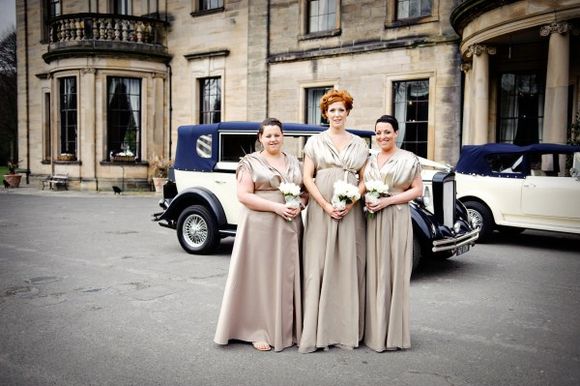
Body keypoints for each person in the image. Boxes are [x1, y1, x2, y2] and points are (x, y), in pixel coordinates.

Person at [214, 118, 305, 352]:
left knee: (286, 275)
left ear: (283, 136)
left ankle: (286, 328)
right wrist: (276, 207)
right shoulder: (250, 163)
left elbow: (304, 192)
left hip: (290, 224)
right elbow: (244, 195)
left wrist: (300, 205)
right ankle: (257, 330)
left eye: (277, 134)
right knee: (260, 277)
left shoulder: (295, 162)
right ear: (260, 138)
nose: (273, 139)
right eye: (268, 136)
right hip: (259, 225)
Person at [299, 89, 368, 353]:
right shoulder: (315, 142)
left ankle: (345, 329)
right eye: (332, 110)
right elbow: (307, 178)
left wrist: (351, 202)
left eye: (341, 109)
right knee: (318, 265)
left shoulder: (360, 144)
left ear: (348, 112)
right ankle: (316, 330)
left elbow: (364, 180)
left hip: (350, 212)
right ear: (325, 113)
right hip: (321, 209)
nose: (337, 114)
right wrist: (326, 205)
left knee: (347, 264)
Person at [363, 114, 423, 352]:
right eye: (378, 133)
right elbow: (365, 185)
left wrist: (389, 201)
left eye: (387, 132)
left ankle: (393, 334)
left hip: (396, 217)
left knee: (394, 271)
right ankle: (374, 331)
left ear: (396, 133)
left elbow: (417, 190)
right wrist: (368, 199)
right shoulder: (370, 159)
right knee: (374, 272)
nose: (382, 137)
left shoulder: (409, 159)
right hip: (372, 220)